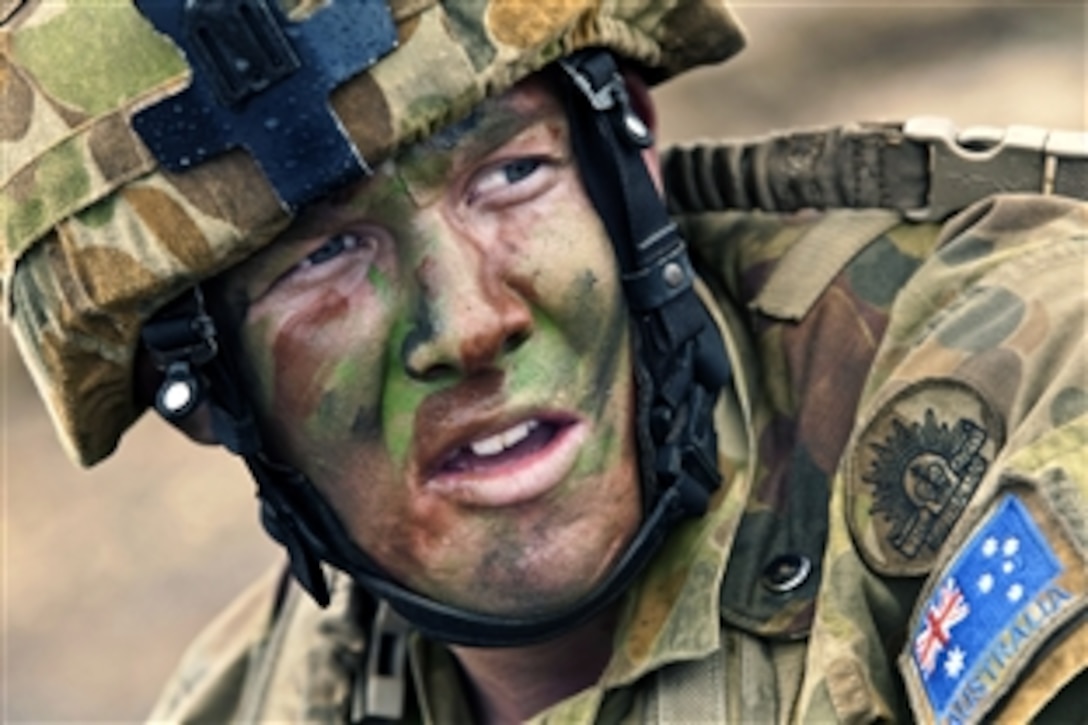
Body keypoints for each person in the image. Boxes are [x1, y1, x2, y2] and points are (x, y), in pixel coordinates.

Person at [3, 0, 1085, 722]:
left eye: (510, 176)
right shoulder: (255, 698)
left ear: (632, 165)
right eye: (324, 257)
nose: (466, 325)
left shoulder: (1018, 368)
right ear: (204, 388)